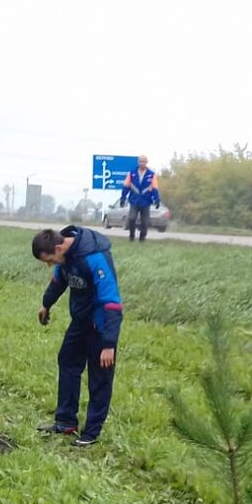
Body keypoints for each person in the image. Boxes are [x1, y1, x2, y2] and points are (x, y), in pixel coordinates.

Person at [31, 225, 122, 447]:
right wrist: (46, 304)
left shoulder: (95, 257)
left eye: (50, 259)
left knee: (99, 377)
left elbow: (112, 301)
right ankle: (65, 421)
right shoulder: (65, 257)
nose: (49, 264)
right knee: (68, 361)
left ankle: (91, 433)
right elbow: (58, 281)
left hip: (100, 325)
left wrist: (108, 344)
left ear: (59, 248)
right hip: (80, 322)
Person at [120, 154, 160, 242]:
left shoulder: (151, 175)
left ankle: (142, 239)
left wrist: (157, 200)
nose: (142, 163)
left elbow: (155, 188)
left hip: (146, 201)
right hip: (134, 201)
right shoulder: (132, 173)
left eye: (144, 162)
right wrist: (123, 198)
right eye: (140, 161)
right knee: (132, 218)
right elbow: (126, 186)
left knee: (145, 222)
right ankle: (132, 236)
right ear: (138, 162)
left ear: (147, 162)